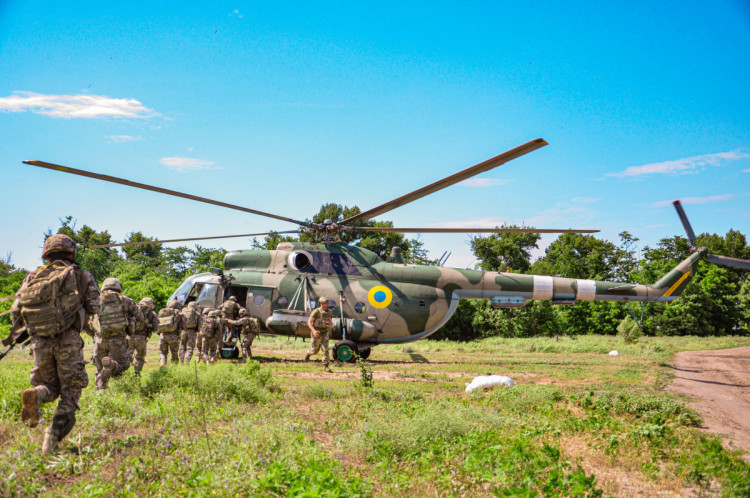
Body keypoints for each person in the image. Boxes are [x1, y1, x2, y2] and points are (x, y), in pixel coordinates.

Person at [12, 234, 100, 453]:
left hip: (39, 342)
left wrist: (22, 332)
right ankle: (51, 441)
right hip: (68, 341)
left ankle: (38, 395)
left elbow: (16, 308)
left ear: (47, 255)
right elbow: (95, 307)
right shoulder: (81, 276)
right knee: (71, 393)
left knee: (49, 386)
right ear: (71, 254)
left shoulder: (33, 276)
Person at [91, 278, 141, 390]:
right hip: (118, 339)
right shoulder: (125, 300)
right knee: (123, 365)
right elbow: (139, 316)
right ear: (119, 287)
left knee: (99, 368)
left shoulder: (95, 300)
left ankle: (101, 390)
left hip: (100, 340)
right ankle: (112, 365)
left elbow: (88, 321)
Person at [129, 297, 159, 376]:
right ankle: (137, 374)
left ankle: (123, 373)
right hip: (141, 339)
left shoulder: (133, 310)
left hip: (130, 337)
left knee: (127, 356)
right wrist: (148, 325)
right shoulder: (152, 314)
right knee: (140, 358)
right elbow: (156, 328)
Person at [305, 297, 334, 373]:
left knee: (325, 349)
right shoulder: (316, 312)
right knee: (315, 350)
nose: (326, 305)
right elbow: (309, 322)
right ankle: (308, 353)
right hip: (316, 332)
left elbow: (331, 322)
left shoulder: (329, 312)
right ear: (320, 303)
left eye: (327, 303)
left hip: (325, 332)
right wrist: (314, 331)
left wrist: (330, 324)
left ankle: (325, 366)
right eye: (324, 303)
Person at [157, 300, 184, 367]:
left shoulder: (162, 311)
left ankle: (162, 363)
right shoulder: (178, 313)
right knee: (174, 353)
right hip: (173, 336)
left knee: (163, 352)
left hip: (162, 335)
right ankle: (174, 367)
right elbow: (183, 325)